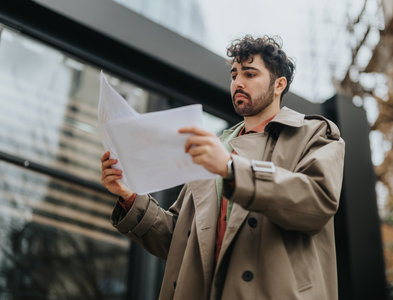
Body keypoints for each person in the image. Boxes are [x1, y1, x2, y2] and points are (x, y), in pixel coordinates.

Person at [101, 35, 345, 300]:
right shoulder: (215, 146)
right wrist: (129, 197)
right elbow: (179, 239)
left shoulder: (315, 133)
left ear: (279, 84)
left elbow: (317, 200)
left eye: (250, 74)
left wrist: (231, 169)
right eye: (234, 75)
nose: (238, 83)